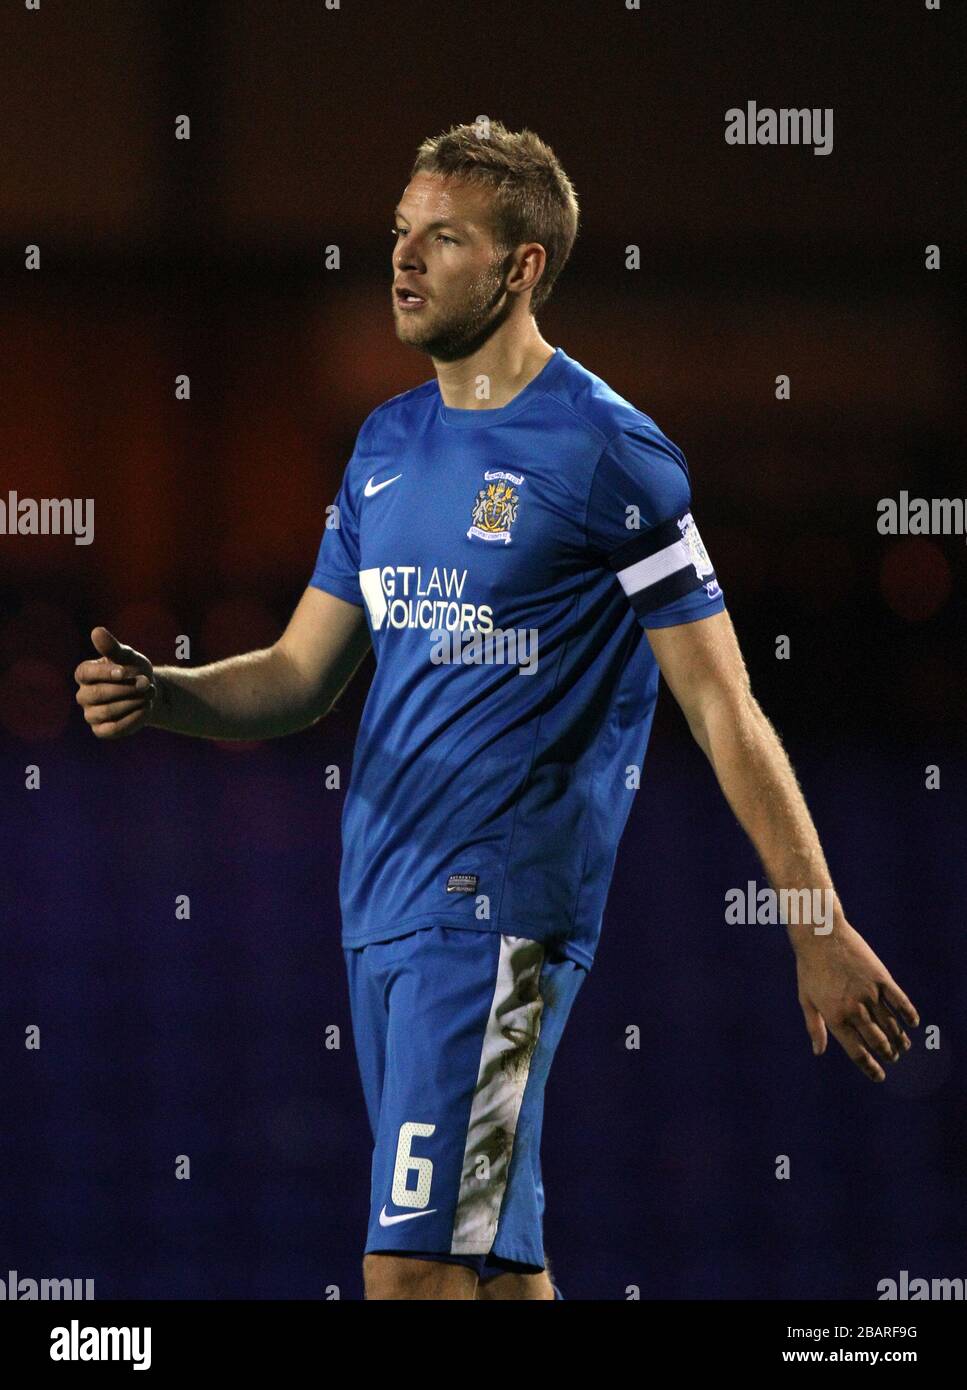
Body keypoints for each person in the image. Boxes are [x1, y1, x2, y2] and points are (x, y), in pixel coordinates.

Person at [74, 121, 919, 1302]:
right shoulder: (383, 444)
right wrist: (166, 694)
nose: (404, 261)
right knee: (489, 1269)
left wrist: (812, 919)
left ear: (521, 267)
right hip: (380, 909)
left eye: (444, 238)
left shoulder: (609, 453)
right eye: (398, 235)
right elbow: (300, 673)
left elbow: (723, 704)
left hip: (492, 914)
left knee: (408, 1268)